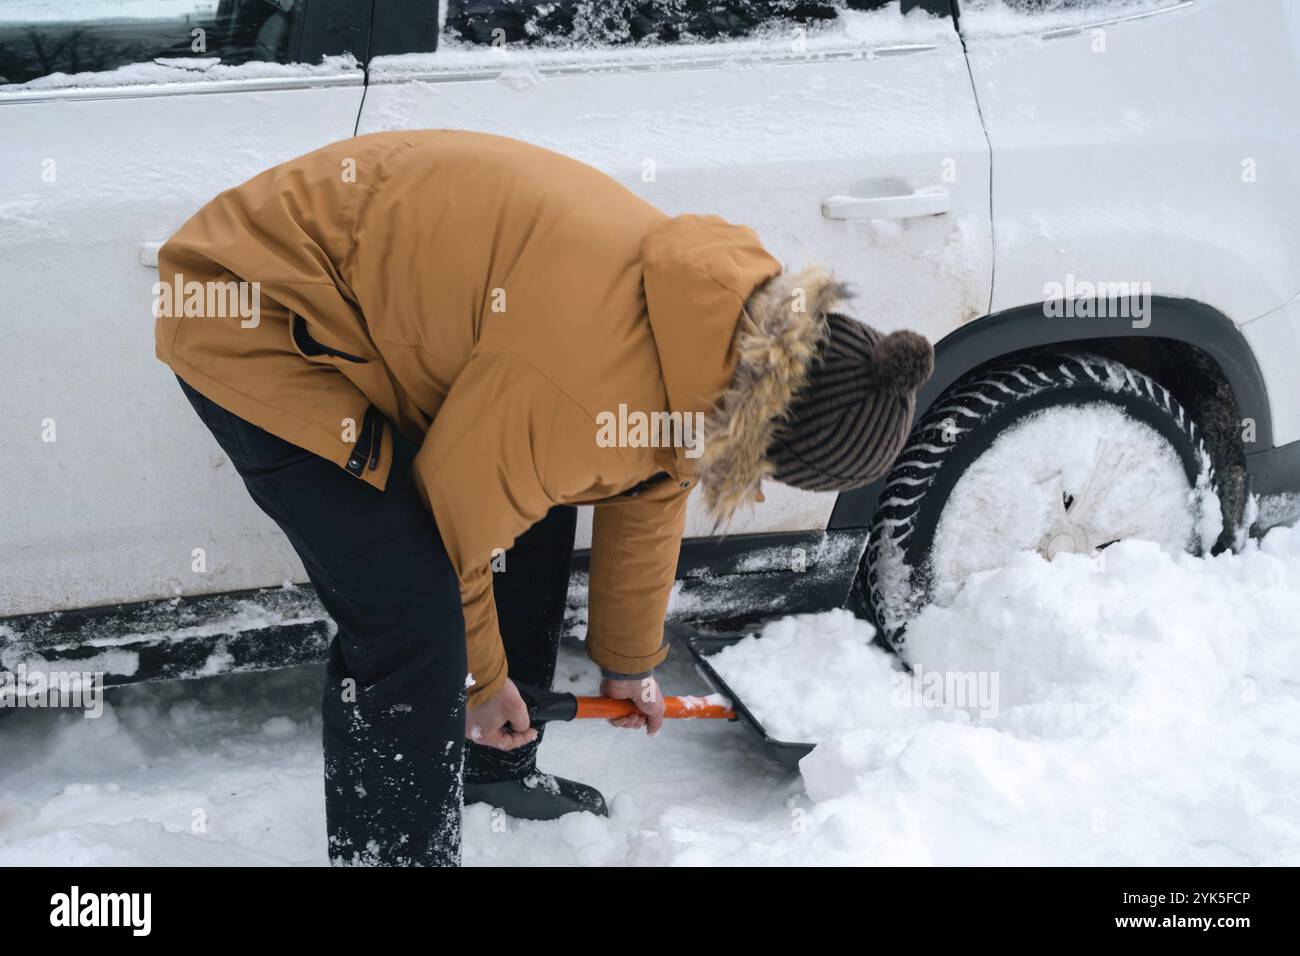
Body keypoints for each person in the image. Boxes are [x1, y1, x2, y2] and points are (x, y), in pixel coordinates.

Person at [154, 130, 933, 866]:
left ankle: (489, 764)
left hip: (382, 303)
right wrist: (481, 683)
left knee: (533, 511)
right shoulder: (580, 384)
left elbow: (654, 476)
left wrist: (628, 663)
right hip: (256, 308)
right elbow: (455, 528)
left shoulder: (716, 327)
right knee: (411, 616)